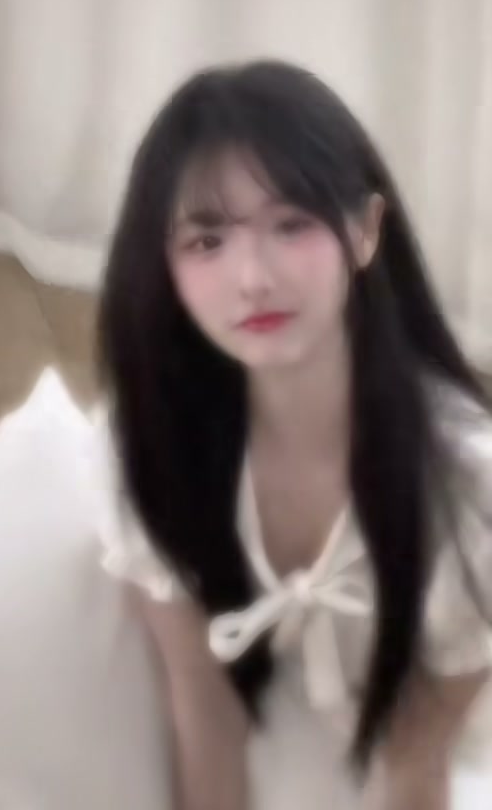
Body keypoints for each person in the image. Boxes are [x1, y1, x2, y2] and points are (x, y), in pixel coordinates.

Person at [93, 59, 492, 810]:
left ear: (366, 230)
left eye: (293, 224)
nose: (253, 278)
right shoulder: (147, 445)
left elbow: (414, 770)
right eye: (207, 241)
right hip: (268, 716)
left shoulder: (469, 484)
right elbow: (204, 721)